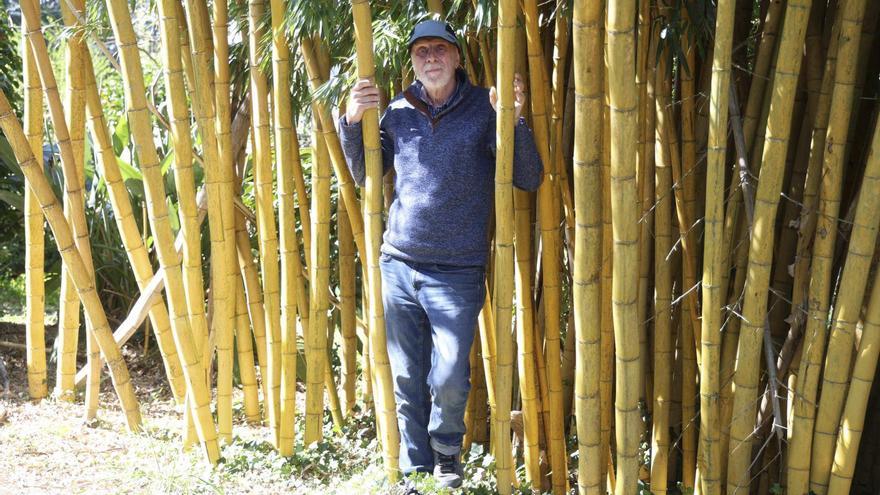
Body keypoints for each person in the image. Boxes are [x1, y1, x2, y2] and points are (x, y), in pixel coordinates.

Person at [338, 19, 543, 491]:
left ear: (457, 57)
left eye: (439, 50)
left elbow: (529, 176)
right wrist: (351, 121)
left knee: (449, 374)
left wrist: (512, 121)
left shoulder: (484, 107)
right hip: (399, 263)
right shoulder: (395, 109)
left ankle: (446, 451)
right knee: (408, 378)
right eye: (421, 51)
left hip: (457, 269)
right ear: (412, 60)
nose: (430, 58)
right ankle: (416, 471)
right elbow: (365, 173)